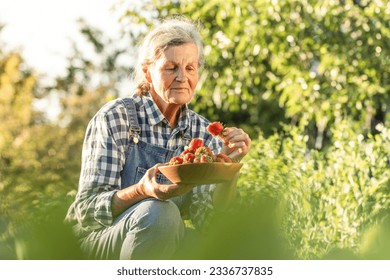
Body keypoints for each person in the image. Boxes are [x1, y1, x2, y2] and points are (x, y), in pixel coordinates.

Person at [65, 16, 251, 260]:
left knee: (225, 247)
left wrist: (228, 170)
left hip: (160, 238)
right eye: (170, 67)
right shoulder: (116, 118)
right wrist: (142, 190)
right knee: (160, 213)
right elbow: (86, 211)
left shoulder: (203, 132)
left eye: (190, 68)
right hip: (95, 241)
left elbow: (209, 222)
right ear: (148, 73)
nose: (182, 77)